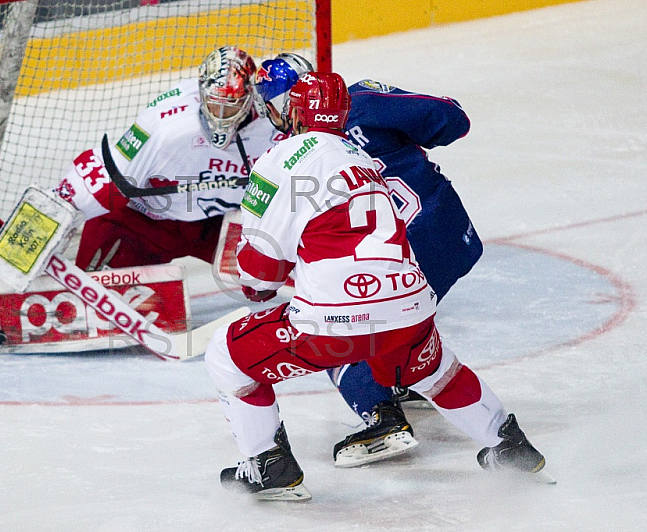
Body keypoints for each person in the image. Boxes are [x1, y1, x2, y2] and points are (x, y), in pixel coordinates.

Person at [205, 71, 550, 501]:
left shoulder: (278, 158)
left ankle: (267, 465)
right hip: (411, 308)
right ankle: (510, 446)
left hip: (333, 325)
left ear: (294, 112)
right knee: (438, 372)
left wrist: (261, 285)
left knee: (227, 354)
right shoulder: (363, 157)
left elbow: (258, 277)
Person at [253, 53, 483, 467]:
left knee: (334, 328)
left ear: (286, 105)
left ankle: (384, 417)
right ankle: (400, 377)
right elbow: (453, 120)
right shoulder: (363, 101)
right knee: (391, 323)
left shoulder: (288, 153)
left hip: (391, 254)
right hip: (447, 234)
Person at [54, 45, 284, 271]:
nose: (222, 115)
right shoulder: (168, 125)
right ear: (202, 92)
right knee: (93, 301)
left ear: (249, 98)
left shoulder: (272, 127)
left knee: (296, 266)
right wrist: (56, 211)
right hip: (144, 223)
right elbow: (110, 174)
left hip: (215, 224)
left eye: (231, 106)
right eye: (215, 104)